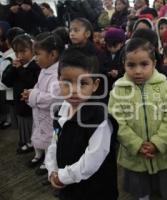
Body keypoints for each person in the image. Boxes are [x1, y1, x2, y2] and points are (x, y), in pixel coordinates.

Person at [108, 38, 167, 200]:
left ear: (154, 63)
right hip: (135, 156)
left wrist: (158, 142)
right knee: (140, 192)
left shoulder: (165, 87)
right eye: (131, 65)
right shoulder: (118, 90)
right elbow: (117, 122)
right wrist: (136, 145)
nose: (137, 71)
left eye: (144, 64)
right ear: (124, 63)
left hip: (166, 154)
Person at [45, 47, 118, 200]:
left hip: (95, 190)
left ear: (95, 84)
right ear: (58, 80)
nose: (74, 90)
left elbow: (92, 160)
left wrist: (62, 176)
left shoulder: (98, 119)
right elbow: (54, 143)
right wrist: (52, 169)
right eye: (67, 82)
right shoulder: (61, 110)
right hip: (69, 187)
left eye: (83, 83)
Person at [22, 32, 64, 175]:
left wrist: (33, 95)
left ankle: (51, 166)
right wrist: (30, 92)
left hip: (51, 116)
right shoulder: (45, 69)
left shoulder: (58, 74)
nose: (35, 58)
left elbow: (53, 98)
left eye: (38, 54)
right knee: (43, 138)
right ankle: (42, 158)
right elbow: (39, 87)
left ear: (52, 54)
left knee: (51, 142)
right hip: (41, 113)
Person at [1, 34, 40, 153]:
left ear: (33, 49)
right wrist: (13, 68)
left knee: (33, 126)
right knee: (23, 125)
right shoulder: (16, 64)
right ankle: (27, 142)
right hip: (20, 103)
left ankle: (35, 146)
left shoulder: (36, 65)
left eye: (23, 51)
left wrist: (20, 69)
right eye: (17, 52)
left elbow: (33, 82)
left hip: (32, 105)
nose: (20, 56)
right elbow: (6, 81)